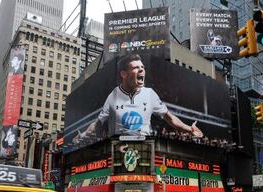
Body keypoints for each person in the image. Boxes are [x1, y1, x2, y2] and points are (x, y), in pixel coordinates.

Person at [72, 54, 203, 144]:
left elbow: (170, 118)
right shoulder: (114, 95)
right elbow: (98, 124)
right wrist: (83, 135)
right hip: (120, 148)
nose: (141, 69)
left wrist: (189, 130)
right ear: (124, 74)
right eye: (136, 67)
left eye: (142, 67)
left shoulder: (149, 94)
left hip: (145, 147)